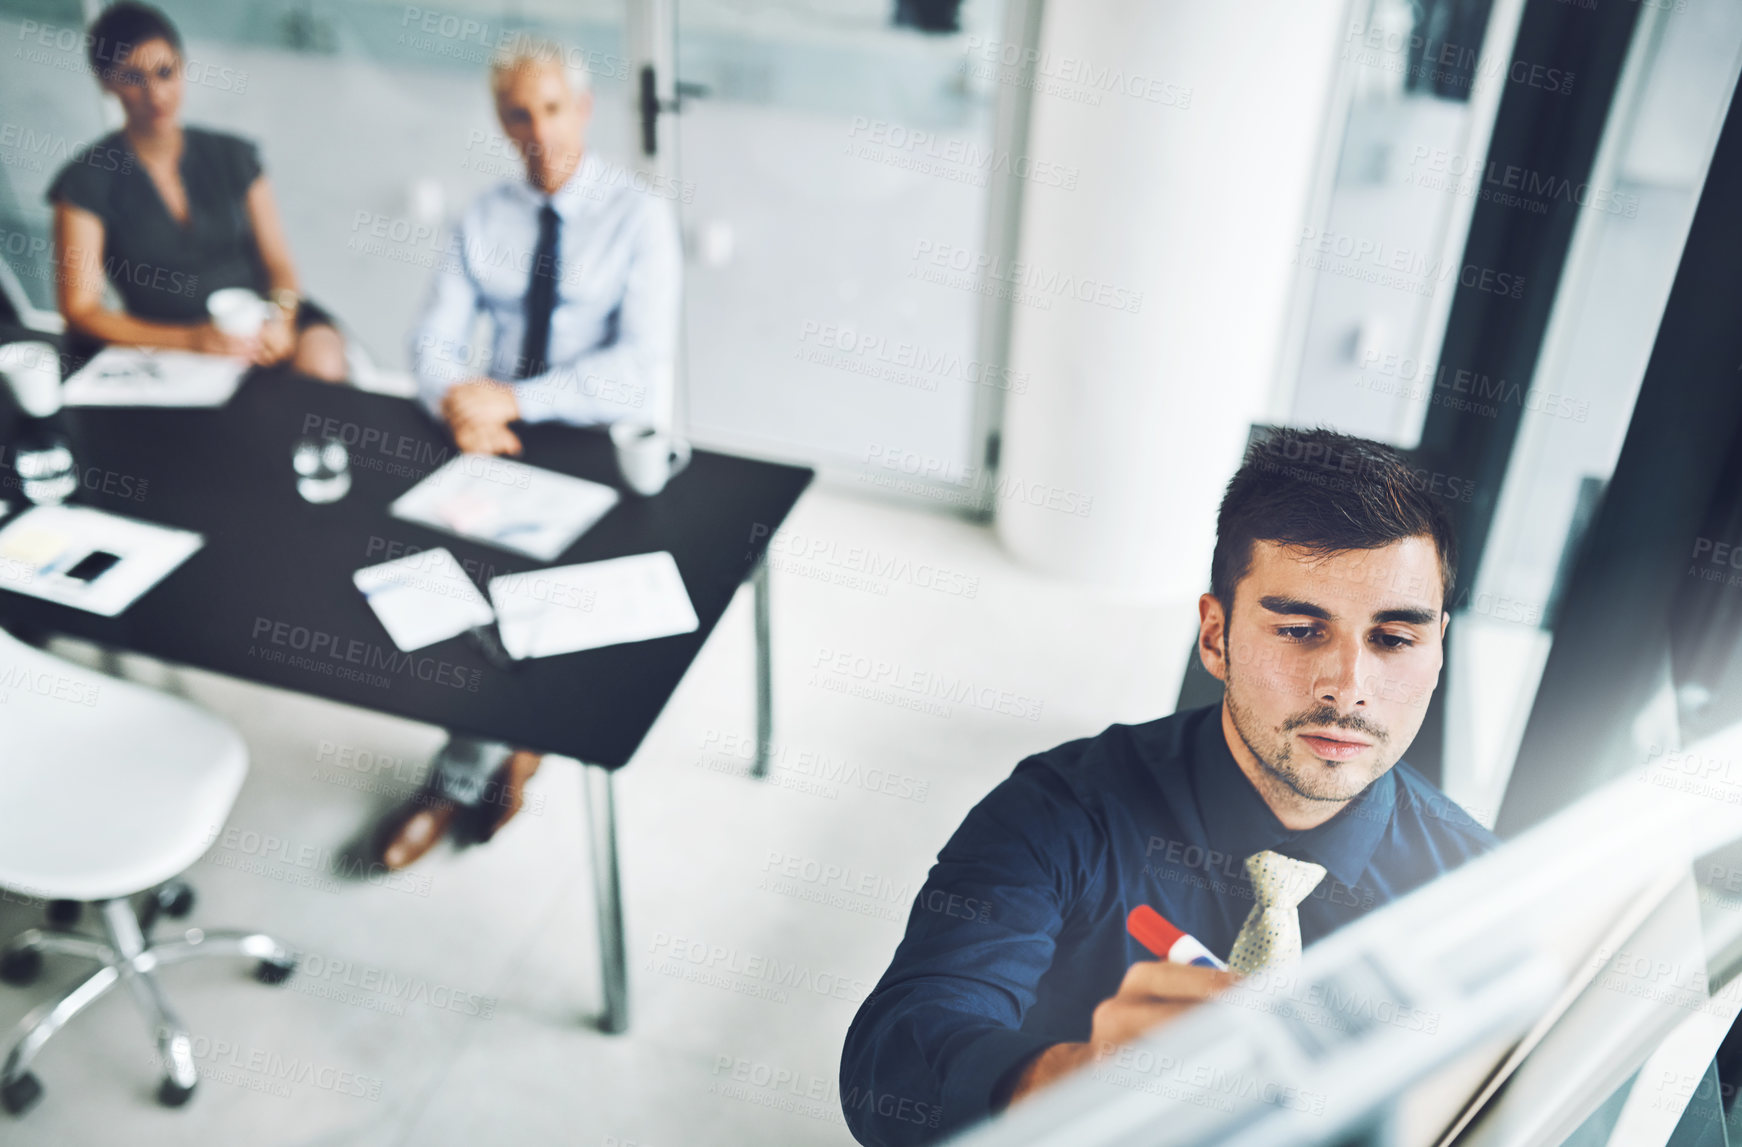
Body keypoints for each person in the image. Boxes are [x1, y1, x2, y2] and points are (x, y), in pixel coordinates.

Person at [838, 427, 1499, 1147]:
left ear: (1436, 652)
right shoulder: (1061, 810)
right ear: (1215, 637)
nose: (1348, 688)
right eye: (1301, 629)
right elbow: (891, 1061)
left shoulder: (1479, 890)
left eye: (1394, 639)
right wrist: (1077, 1082)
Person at [378, 38, 681, 869]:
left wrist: (509, 396)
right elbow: (431, 340)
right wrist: (462, 405)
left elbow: (634, 372)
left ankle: (478, 764)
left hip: (602, 443)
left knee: (544, 599)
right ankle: (493, 747)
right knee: (457, 586)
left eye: (553, 108)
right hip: (500, 440)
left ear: (581, 110)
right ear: (502, 122)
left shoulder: (639, 218)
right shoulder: (487, 216)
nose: (539, 130)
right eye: (520, 113)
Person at [46, 2, 346, 379]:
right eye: (133, 78)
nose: (155, 94)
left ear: (182, 68)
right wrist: (190, 340)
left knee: (322, 359)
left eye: (164, 72)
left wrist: (282, 321)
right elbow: (80, 309)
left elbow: (279, 264)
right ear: (106, 82)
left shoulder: (233, 156)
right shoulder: (86, 181)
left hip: (262, 320)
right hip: (167, 339)